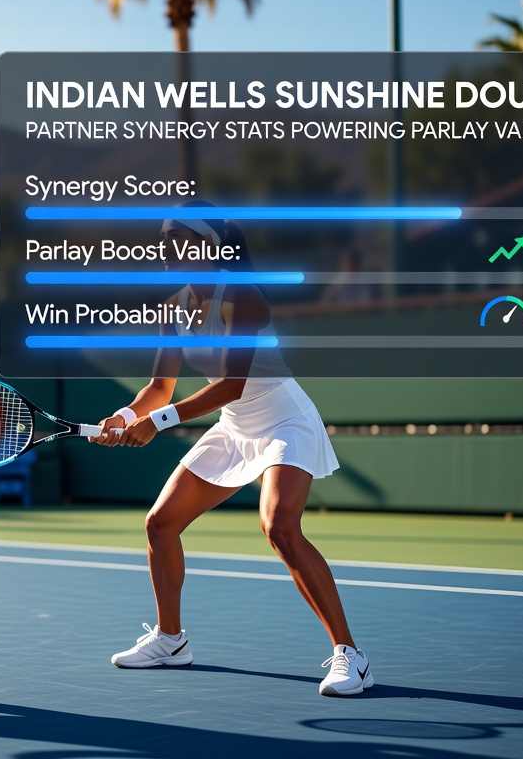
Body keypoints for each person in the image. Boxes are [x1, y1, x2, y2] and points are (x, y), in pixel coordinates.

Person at [93, 206, 370, 697]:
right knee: (160, 524)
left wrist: (158, 422)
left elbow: (233, 383)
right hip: (234, 425)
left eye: (174, 238)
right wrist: (124, 416)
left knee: (280, 528)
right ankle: (171, 641)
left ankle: (350, 655)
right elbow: (159, 387)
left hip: (284, 417)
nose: (163, 248)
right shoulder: (171, 308)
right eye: (160, 239)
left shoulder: (242, 296)